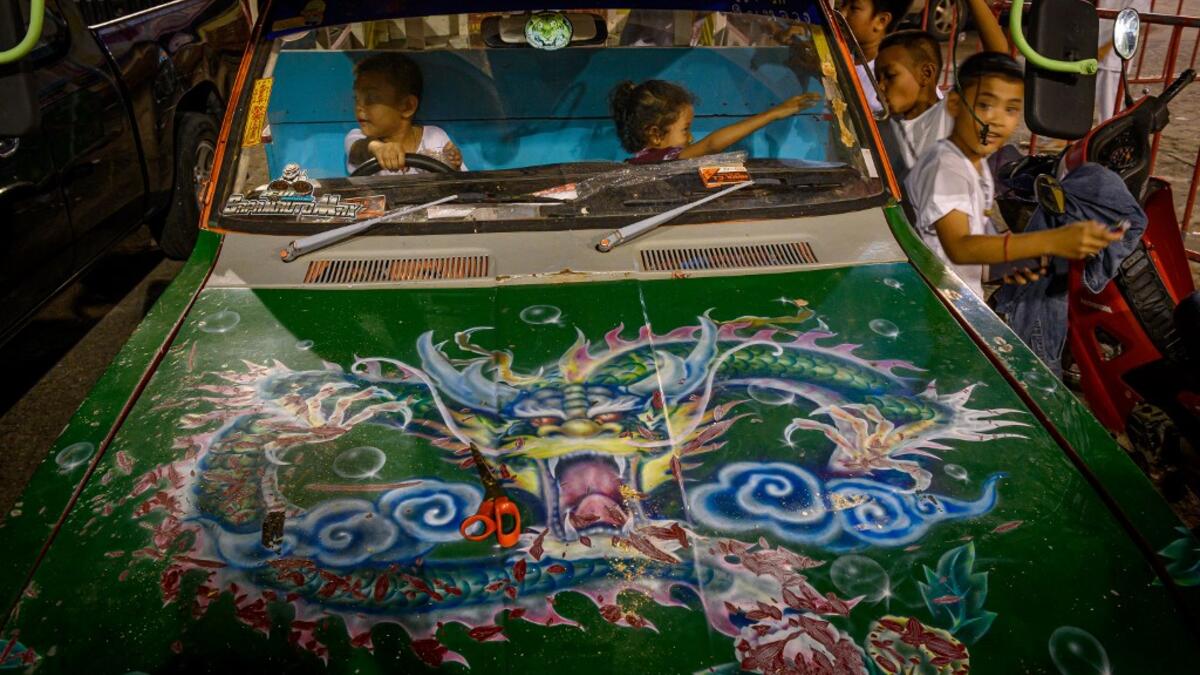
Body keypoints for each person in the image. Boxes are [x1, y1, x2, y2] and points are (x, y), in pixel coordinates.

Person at [905, 52, 1124, 300]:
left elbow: (949, 253)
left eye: (1010, 110)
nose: (997, 120)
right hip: (941, 307)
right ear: (955, 105)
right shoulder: (944, 167)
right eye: (985, 105)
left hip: (960, 300)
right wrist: (1051, 240)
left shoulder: (974, 164)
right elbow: (959, 247)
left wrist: (1006, 262)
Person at [874, 1, 1009, 181]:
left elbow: (998, 56)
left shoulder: (952, 116)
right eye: (877, 79)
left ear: (926, 74)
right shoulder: (880, 126)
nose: (880, 87)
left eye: (890, 76)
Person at [609, 80, 820, 164]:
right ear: (655, 134)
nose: (690, 137)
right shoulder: (663, 160)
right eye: (685, 130)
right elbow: (712, 144)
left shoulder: (636, 163)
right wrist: (773, 113)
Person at [344, 53, 466, 175]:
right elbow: (358, 149)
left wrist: (453, 165)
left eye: (371, 98)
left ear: (407, 106)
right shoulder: (358, 138)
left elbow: (460, 184)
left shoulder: (434, 137)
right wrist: (378, 148)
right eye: (356, 98)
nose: (359, 107)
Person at [838, 0, 911, 112]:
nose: (841, 13)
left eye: (854, 8)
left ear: (881, 21)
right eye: (842, 4)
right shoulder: (834, 48)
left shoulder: (900, 79)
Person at [1095, 0, 1151, 122]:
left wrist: (1105, 49)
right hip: (1097, 48)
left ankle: (1108, 136)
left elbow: (1133, 24)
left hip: (1112, 58)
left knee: (1109, 109)